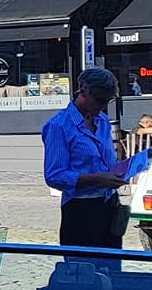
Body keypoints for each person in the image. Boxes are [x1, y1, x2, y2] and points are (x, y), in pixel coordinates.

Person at [42, 67, 128, 248]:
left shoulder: (102, 120)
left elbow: (105, 160)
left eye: (108, 101)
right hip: (80, 210)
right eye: (99, 100)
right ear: (83, 92)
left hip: (110, 204)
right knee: (83, 271)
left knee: (111, 271)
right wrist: (97, 178)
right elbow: (54, 176)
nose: (103, 106)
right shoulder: (59, 126)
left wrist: (121, 170)